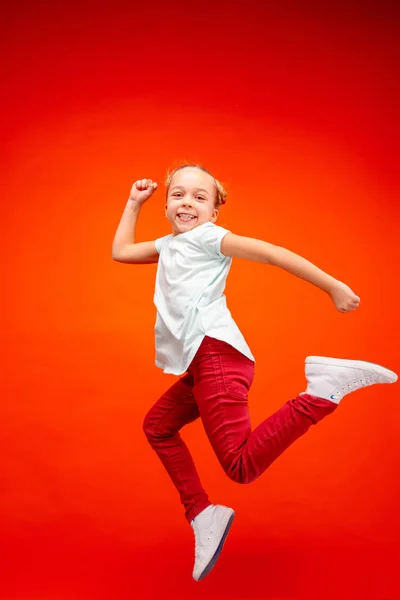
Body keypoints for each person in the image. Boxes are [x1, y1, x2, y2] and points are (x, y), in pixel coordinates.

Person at [112, 163, 398, 582]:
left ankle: (320, 392)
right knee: (158, 426)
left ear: (214, 213)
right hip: (202, 363)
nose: (186, 202)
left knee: (240, 466)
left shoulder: (210, 239)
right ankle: (202, 514)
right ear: (167, 203)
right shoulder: (169, 244)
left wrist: (333, 285)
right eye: (178, 194)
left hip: (217, 356)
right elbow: (120, 252)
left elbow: (272, 253)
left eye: (199, 197)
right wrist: (134, 203)